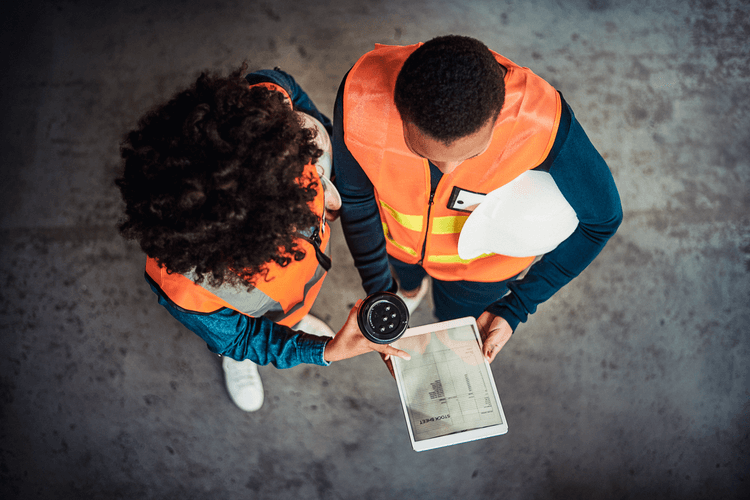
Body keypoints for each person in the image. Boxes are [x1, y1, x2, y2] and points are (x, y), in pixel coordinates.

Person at [116, 66, 409, 412]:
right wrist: (320, 350)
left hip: (293, 290)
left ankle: (295, 320)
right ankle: (237, 360)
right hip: (253, 316)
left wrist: (319, 144)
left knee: (290, 313)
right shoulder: (185, 289)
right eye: (291, 224)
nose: (329, 202)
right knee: (241, 336)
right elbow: (240, 335)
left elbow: (281, 86)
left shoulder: (277, 135)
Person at [332, 35, 623, 366]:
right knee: (404, 283)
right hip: (397, 246)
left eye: (470, 155)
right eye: (421, 152)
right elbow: (355, 198)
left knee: (452, 326)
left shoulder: (540, 121)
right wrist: (379, 295)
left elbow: (602, 221)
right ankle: (408, 292)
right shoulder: (362, 98)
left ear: (498, 117)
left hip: (479, 275)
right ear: (400, 110)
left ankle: (427, 306)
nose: (448, 170)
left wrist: (517, 305)